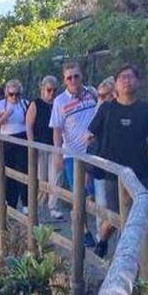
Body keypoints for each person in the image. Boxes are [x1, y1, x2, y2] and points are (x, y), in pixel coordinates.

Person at [86, 63, 148, 258]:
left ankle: (132, 258)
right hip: (113, 173)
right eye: (122, 77)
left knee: (140, 215)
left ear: (138, 81)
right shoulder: (107, 109)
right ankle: (103, 241)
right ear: (116, 84)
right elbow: (90, 135)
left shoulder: (146, 111)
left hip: (140, 172)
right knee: (116, 215)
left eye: (130, 76)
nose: (127, 81)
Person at [49, 64, 101, 245]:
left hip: (94, 152)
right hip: (72, 153)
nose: (73, 80)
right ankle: (83, 230)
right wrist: (58, 153)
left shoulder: (91, 94)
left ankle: (100, 231)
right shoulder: (60, 101)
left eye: (76, 76)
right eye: (69, 77)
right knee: (79, 193)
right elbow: (57, 130)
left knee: (95, 192)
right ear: (64, 80)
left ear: (81, 76)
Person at [0, 79, 30, 212]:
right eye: (11, 94)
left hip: (22, 138)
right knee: (9, 172)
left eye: (17, 94)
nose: (14, 97)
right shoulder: (0, 105)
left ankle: (26, 203)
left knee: (23, 170)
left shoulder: (25, 104)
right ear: (6, 93)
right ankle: (11, 202)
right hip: (7, 139)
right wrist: (4, 117)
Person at [28, 75, 61, 219]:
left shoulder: (58, 104)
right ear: (43, 89)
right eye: (49, 90)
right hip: (39, 144)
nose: (52, 93)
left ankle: (53, 207)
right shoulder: (35, 104)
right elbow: (29, 125)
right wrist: (31, 144)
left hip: (55, 145)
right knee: (41, 177)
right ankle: (39, 205)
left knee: (56, 177)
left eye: (54, 90)